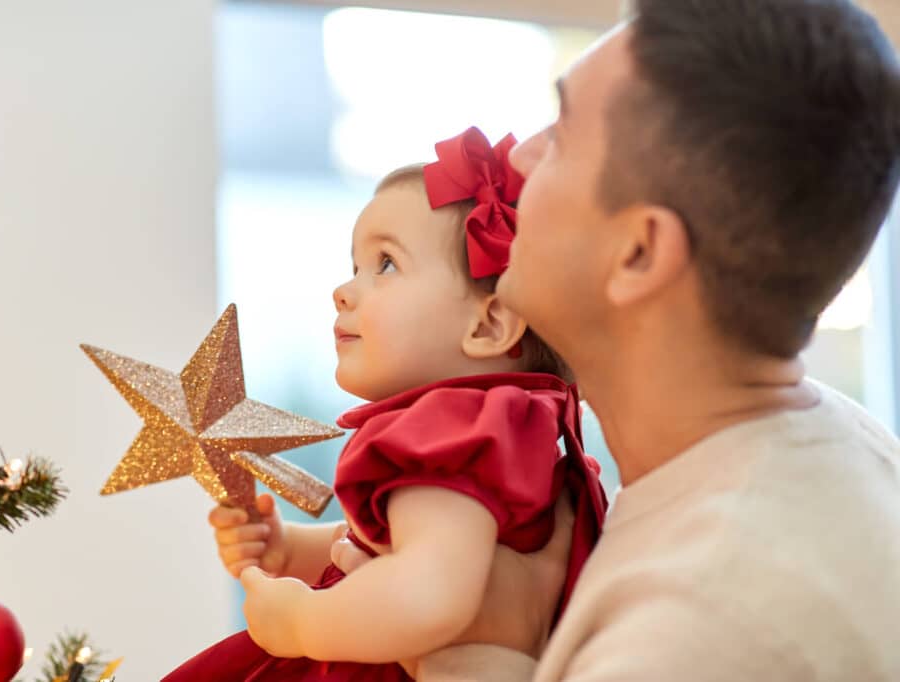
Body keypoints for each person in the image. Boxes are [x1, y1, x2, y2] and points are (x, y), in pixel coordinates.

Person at [333, 1, 900, 680]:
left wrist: (480, 661)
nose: (518, 154)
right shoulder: (843, 449)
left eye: (563, 136)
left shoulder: (700, 627)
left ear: (638, 254)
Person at [161, 127, 606, 682]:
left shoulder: (450, 430)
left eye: (386, 264)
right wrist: (288, 549)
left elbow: (429, 593)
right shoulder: (513, 433)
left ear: (489, 323)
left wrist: (303, 622)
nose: (343, 291)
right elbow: (403, 549)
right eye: (354, 266)